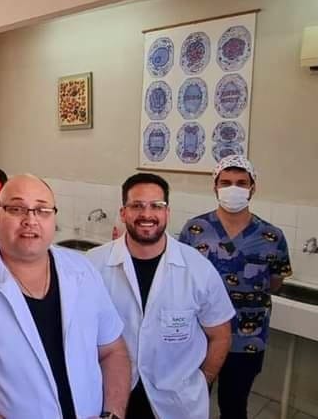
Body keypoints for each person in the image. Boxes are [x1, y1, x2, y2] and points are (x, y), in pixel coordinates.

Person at [0, 174, 131, 419]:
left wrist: (112, 415)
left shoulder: (83, 271)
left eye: (42, 210)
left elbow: (113, 351)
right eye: (17, 209)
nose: (30, 220)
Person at [86, 173, 235, 419]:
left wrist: (203, 380)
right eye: (137, 206)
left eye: (156, 206)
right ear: (123, 213)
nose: (147, 214)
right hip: (111, 398)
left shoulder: (198, 269)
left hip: (177, 403)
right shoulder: (92, 265)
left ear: (167, 212)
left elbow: (220, 335)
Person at [180, 155, 293, 419]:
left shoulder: (271, 236)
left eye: (242, 183)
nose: (234, 188)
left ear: (253, 188)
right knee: (192, 402)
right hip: (200, 335)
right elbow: (180, 277)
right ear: (215, 187)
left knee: (234, 405)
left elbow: (275, 282)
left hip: (247, 339)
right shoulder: (196, 230)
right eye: (226, 182)